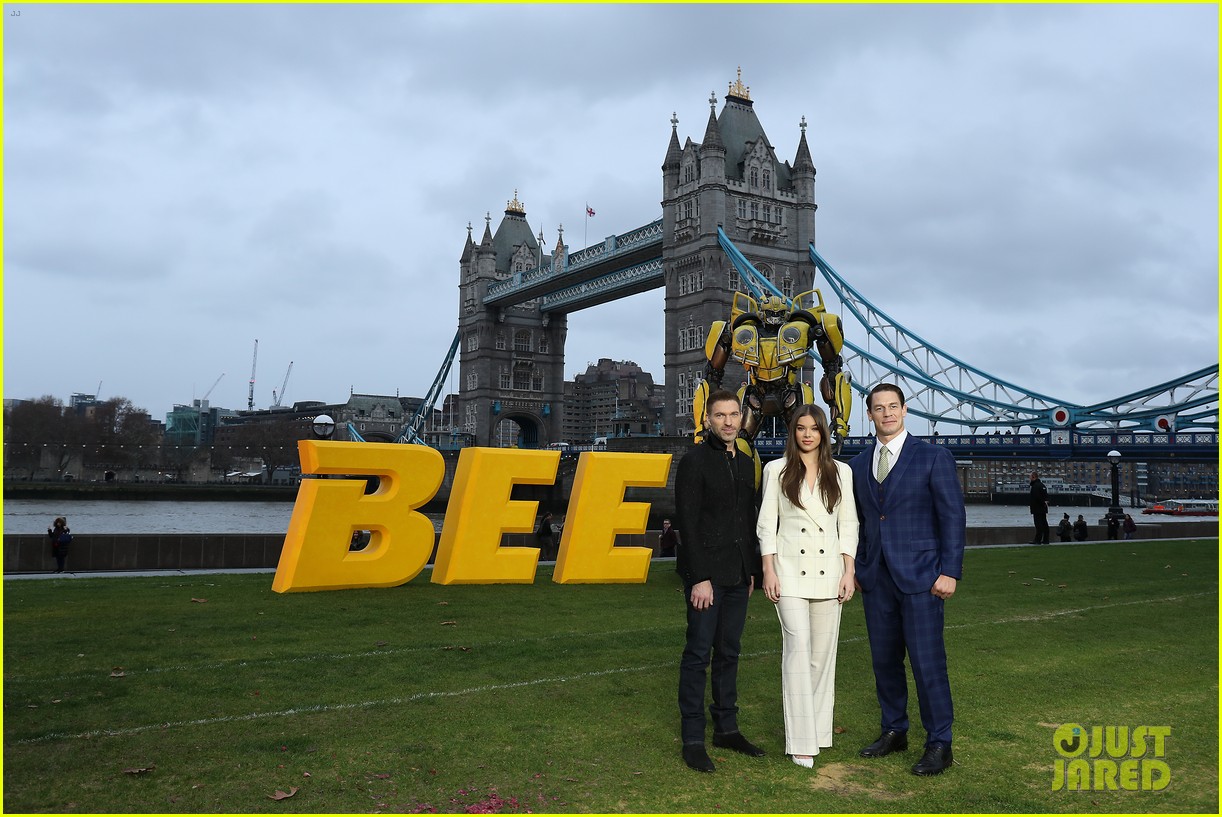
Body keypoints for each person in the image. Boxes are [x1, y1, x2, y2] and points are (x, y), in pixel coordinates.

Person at [849, 384, 966, 777]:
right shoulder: (859, 463)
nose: (887, 414)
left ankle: (939, 742)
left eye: (893, 407)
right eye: (879, 408)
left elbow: (952, 517)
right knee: (884, 663)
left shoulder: (934, 457)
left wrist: (949, 571)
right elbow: (864, 521)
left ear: (905, 410)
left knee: (927, 663)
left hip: (923, 578)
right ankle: (894, 730)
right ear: (869, 414)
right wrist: (860, 567)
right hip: (876, 578)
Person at [756, 405, 858, 769]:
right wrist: (768, 570)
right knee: (797, 650)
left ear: (823, 433)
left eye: (814, 428)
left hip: (830, 573)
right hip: (789, 571)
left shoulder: (841, 472)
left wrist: (849, 571)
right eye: (801, 428)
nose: (807, 434)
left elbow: (849, 526)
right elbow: (767, 524)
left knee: (822, 657)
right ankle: (800, 741)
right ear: (793, 432)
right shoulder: (775, 470)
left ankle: (817, 730)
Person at [675, 389, 765, 773]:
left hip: (737, 574)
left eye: (734, 414)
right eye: (720, 415)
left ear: (742, 417)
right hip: (707, 579)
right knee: (698, 655)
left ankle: (726, 728)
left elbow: (747, 521)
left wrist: (751, 571)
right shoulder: (694, 461)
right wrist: (699, 578)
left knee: (730, 653)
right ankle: (693, 738)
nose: (729, 422)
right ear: (708, 419)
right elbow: (688, 523)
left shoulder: (745, 463)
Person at [1028, 472, 1050, 544]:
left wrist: (1041, 503)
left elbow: (1036, 497)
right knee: (1044, 524)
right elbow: (1046, 497)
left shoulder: (1035, 486)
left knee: (1038, 525)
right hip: (1043, 508)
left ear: (1034, 477)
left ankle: (1037, 540)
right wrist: (1045, 502)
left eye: (1030, 477)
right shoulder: (1042, 485)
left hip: (1037, 508)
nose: (1029, 478)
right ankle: (1046, 539)